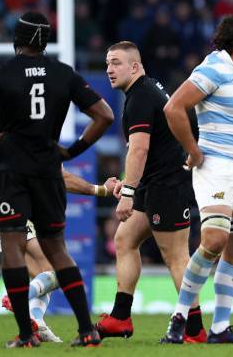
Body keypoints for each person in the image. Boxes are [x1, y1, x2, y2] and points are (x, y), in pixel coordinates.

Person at [0, 11, 114, 348]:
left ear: (17, 40)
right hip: (47, 171)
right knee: (58, 250)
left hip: (11, 171)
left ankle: (27, 335)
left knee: (12, 248)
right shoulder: (64, 74)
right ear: (45, 41)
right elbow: (105, 115)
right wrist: (73, 150)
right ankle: (87, 330)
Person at [95, 41, 206, 343]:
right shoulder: (147, 88)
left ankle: (195, 330)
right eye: (107, 63)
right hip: (154, 182)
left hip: (167, 185)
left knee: (177, 258)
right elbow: (142, 149)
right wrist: (127, 181)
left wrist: (128, 190)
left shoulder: (140, 96)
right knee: (124, 239)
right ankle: (120, 317)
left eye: (116, 62)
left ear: (135, 66)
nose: (109, 69)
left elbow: (141, 149)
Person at [160, 14, 233, 344]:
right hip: (217, 166)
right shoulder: (213, 68)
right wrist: (194, 149)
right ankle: (179, 317)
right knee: (215, 241)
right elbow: (174, 107)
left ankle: (220, 327)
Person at [0, 169, 117, 343]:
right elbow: (62, 177)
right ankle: (17, 299)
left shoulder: (2, 143)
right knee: (56, 271)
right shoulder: (34, 145)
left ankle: (37, 322)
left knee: (41, 277)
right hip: (20, 208)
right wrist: (101, 190)